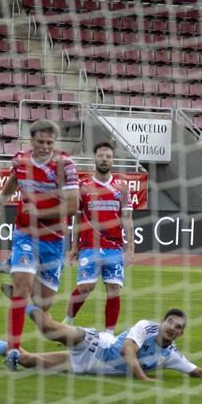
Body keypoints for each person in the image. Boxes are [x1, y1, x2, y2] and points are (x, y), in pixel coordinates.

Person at [0, 119, 80, 368]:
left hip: (54, 239)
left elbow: (72, 205)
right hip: (26, 234)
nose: (45, 147)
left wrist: (39, 212)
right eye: (40, 142)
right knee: (22, 290)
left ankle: (16, 275)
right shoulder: (20, 160)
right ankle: (13, 351)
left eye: (50, 142)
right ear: (32, 141)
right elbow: (13, 182)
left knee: (43, 305)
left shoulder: (65, 165)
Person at [0, 304, 202, 382]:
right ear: (163, 321)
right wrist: (142, 377)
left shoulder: (170, 354)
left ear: (182, 333)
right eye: (171, 322)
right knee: (49, 329)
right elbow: (128, 350)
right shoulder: (145, 327)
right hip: (95, 343)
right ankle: (22, 298)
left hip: (85, 366)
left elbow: (195, 370)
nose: (174, 328)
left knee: (28, 361)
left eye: (179, 328)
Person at [64, 140, 134, 332]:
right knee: (86, 287)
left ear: (113, 161)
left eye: (108, 157)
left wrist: (131, 248)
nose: (104, 159)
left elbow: (127, 219)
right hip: (90, 246)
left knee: (114, 290)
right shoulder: (83, 187)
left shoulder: (122, 188)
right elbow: (77, 219)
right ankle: (67, 321)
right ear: (94, 158)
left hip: (115, 247)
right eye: (101, 156)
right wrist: (74, 247)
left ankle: (108, 334)